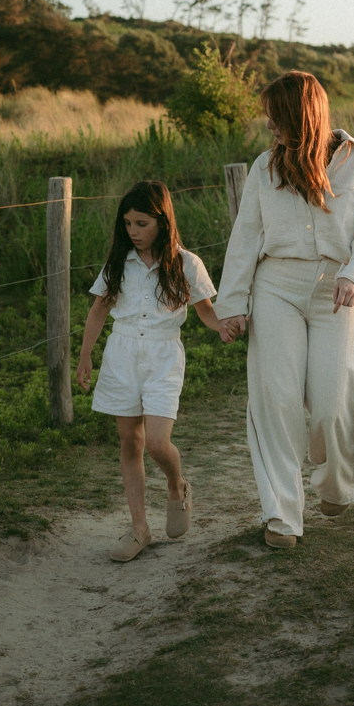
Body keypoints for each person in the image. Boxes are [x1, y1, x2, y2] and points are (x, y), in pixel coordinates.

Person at [215, 71, 354, 549]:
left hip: (338, 289)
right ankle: (282, 516)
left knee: (333, 401)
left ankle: (338, 482)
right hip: (275, 287)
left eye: (275, 114)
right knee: (275, 400)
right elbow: (245, 238)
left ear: (301, 115)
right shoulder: (263, 169)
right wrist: (231, 304)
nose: (267, 123)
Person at [77, 180, 223, 562]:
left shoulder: (186, 263)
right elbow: (99, 308)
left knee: (158, 443)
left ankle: (177, 487)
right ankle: (139, 528)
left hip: (163, 355)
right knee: (131, 442)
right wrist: (85, 356)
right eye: (127, 223)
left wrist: (223, 326)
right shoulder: (119, 262)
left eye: (141, 223)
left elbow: (205, 309)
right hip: (122, 353)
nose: (133, 232)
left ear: (162, 220)